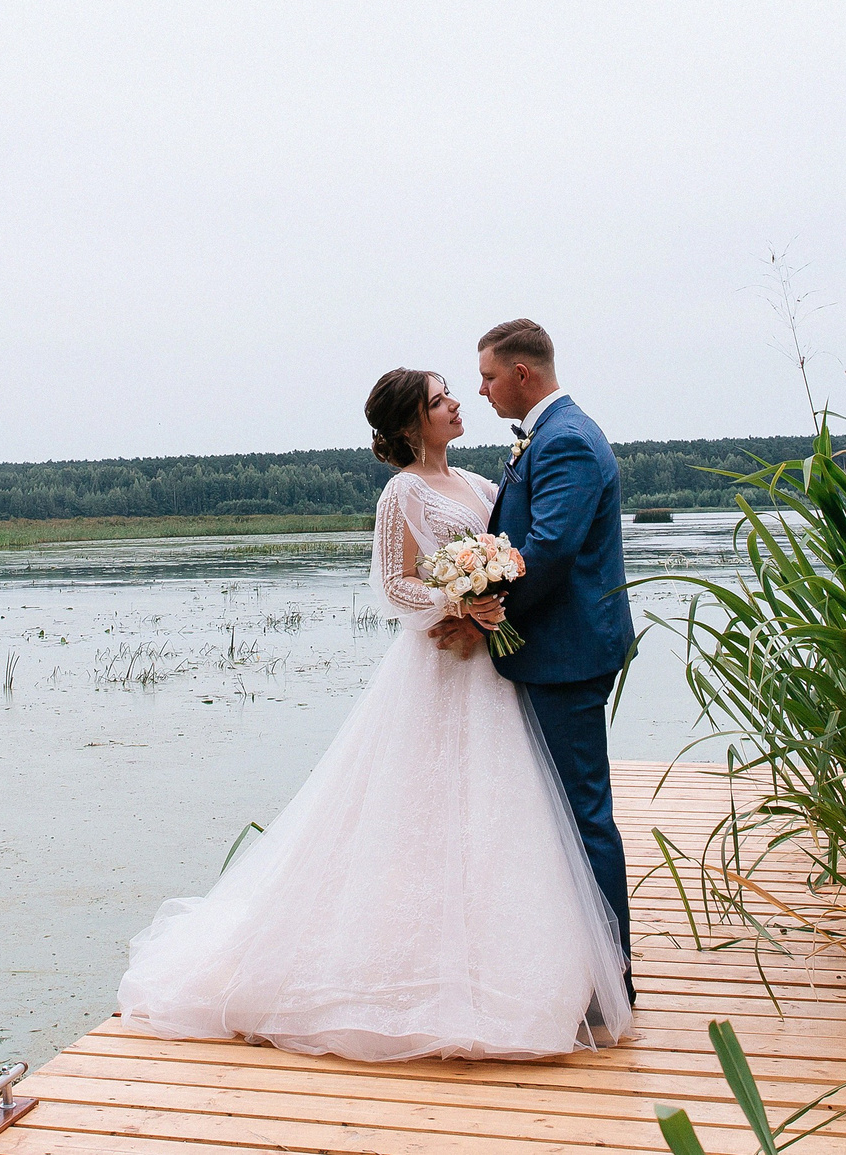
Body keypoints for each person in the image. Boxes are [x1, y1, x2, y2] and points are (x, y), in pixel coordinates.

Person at [113, 363, 634, 1061]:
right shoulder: (403, 492)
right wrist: (455, 602)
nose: (457, 403)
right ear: (414, 422)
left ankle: (518, 970)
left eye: (453, 393)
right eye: (440, 400)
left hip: (492, 673)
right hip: (438, 670)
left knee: (500, 815)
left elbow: (518, 557)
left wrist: (488, 604)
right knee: (418, 815)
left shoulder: (481, 484)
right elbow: (393, 585)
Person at [434, 318, 635, 980]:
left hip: (567, 655)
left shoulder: (566, 440)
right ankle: (579, 965)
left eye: (488, 376)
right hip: (559, 648)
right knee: (565, 813)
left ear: (521, 373)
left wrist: (488, 619)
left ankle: (611, 979)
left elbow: (548, 549)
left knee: (582, 816)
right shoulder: (550, 434)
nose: (481, 390)